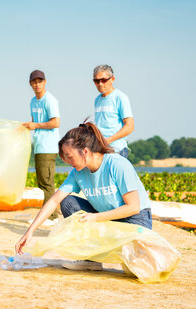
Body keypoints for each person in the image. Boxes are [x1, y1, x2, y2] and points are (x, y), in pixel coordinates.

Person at [15, 122, 152, 270]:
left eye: (69, 156)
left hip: (135, 219)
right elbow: (55, 200)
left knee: (136, 269)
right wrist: (30, 232)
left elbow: (133, 207)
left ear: (85, 151)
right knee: (68, 202)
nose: (68, 162)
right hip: (108, 218)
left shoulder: (117, 164)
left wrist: (95, 218)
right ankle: (90, 260)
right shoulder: (78, 172)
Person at [23, 70, 61, 225]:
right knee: (41, 183)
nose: (37, 84)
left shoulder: (49, 100)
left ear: (45, 82)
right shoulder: (33, 101)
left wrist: (36, 125)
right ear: (31, 84)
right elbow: (34, 123)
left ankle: (51, 217)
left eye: (40, 81)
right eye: (34, 82)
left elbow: (56, 122)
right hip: (39, 145)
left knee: (46, 182)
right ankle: (51, 212)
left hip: (49, 145)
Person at [92, 64, 134, 158]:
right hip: (101, 150)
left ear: (112, 79)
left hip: (117, 150)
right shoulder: (97, 100)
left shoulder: (120, 97)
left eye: (103, 80)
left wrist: (109, 140)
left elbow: (130, 126)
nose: (100, 84)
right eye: (96, 81)